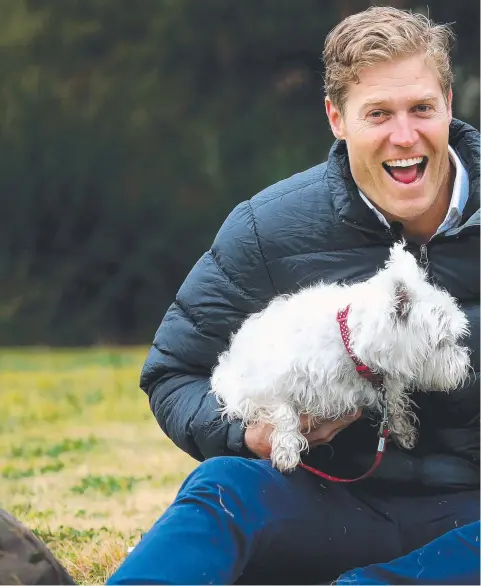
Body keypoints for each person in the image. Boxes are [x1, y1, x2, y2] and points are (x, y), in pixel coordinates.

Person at [108, 6, 480, 585]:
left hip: (471, 517)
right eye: (377, 113)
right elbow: (172, 373)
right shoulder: (267, 228)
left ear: (449, 104)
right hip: (323, 504)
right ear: (336, 118)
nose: (404, 136)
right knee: (222, 489)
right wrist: (245, 434)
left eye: (421, 109)